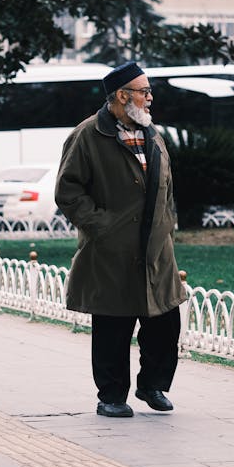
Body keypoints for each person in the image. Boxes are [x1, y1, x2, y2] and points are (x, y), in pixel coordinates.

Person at [55, 61, 186, 418]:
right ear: (121, 96)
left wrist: (167, 224)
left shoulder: (152, 134)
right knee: (113, 325)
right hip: (110, 249)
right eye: (143, 91)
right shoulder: (88, 135)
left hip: (156, 249)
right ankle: (111, 396)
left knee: (165, 322)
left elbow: (167, 187)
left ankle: (152, 385)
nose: (149, 98)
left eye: (148, 91)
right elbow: (68, 192)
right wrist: (102, 227)